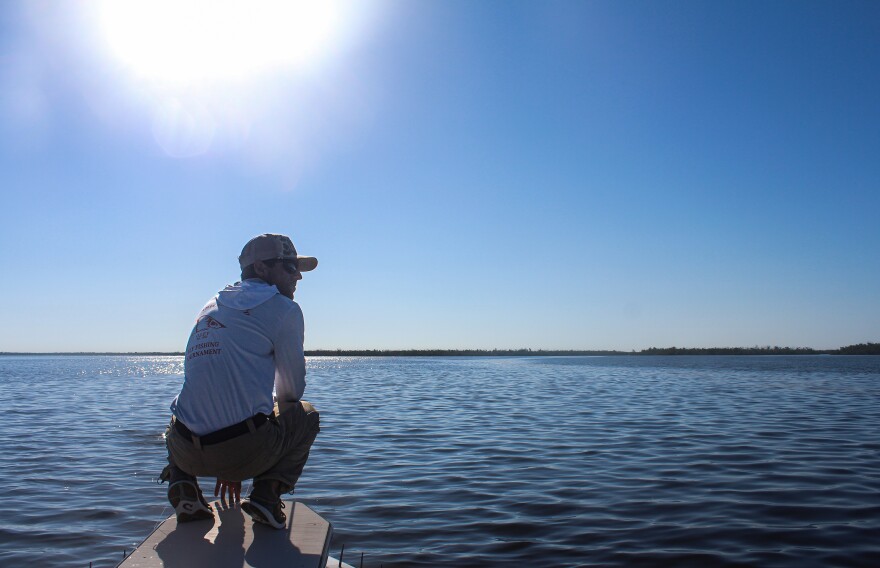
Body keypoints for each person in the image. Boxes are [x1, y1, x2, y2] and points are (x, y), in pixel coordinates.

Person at [161, 233, 321, 529]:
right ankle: (266, 497)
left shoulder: (210, 305)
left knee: (179, 411)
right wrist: (236, 461)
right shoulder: (284, 309)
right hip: (241, 452)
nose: (297, 275)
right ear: (261, 269)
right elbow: (290, 395)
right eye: (289, 267)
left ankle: (183, 484)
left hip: (183, 450)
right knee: (306, 414)